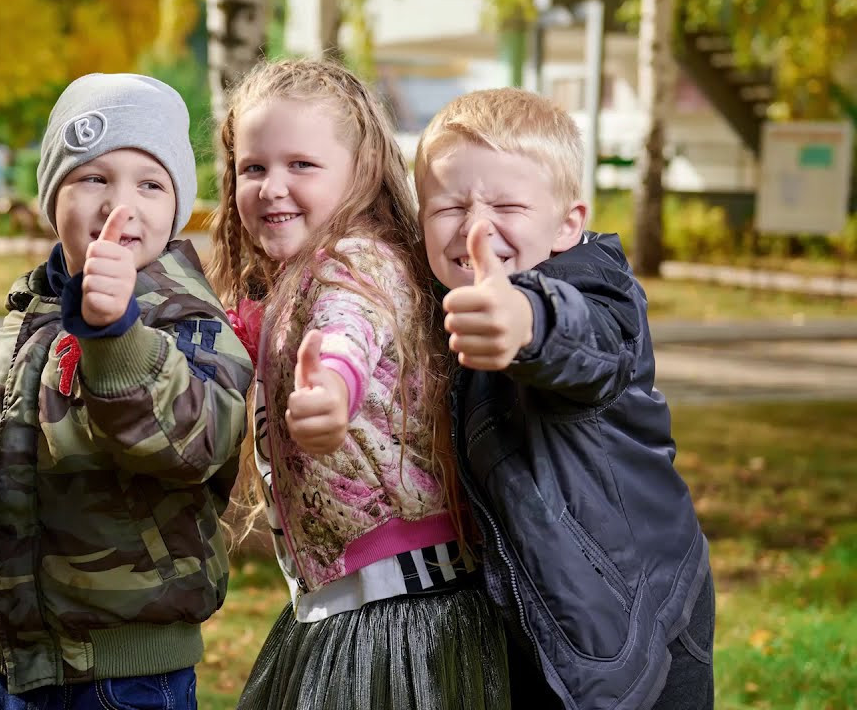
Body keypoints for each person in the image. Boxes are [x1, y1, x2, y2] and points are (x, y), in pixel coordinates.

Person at [206, 58, 509, 710]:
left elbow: (351, 331)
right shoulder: (295, 276)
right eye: (253, 168)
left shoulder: (356, 261)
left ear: (362, 170)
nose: (272, 186)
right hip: (346, 605)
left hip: (399, 621)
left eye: (302, 166)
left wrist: (332, 396)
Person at [0, 72, 254, 710]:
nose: (122, 205)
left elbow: (195, 437)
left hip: (128, 676)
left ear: (176, 205)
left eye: (151, 184)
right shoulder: (21, 323)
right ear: (51, 197)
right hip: (16, 666)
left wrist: (116, 334)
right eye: (94, 179)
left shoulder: (185, 317)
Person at [414, 87, 714, 710]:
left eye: (506, 204)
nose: (475, 226)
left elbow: (589, 345)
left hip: (643, 624)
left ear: (567, 224)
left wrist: (525, 322)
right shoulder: (446, 309)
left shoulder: (600, 292)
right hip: (541, 625)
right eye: (447, 207)